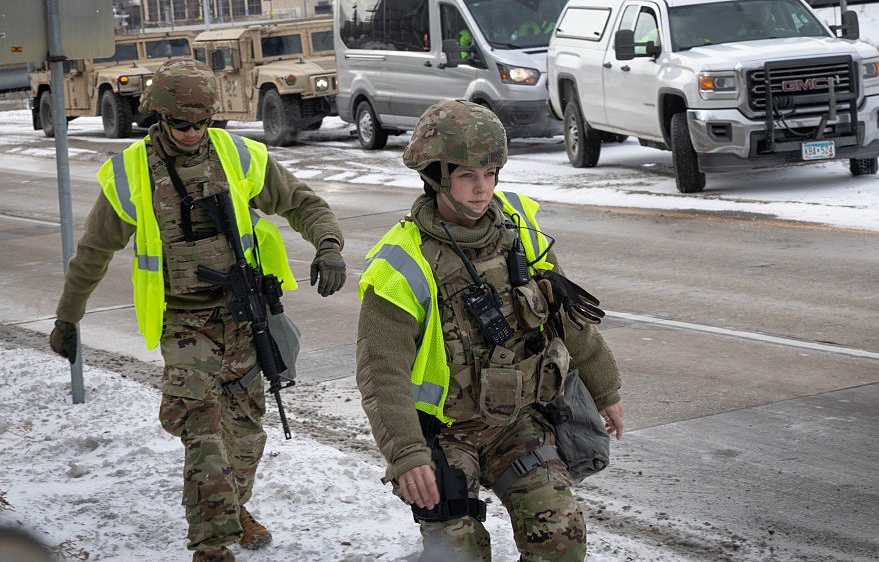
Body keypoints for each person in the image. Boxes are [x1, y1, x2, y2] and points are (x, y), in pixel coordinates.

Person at [47, 58, 347, 562]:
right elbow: (93, 252)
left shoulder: (239, 156)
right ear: (157, 118)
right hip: (185, 323)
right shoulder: (132, 174)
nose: (191, 133)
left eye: (200, 123)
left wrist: (330, 246)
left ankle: (234, 507)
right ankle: (210, 546)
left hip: (243, 316)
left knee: (246, 435)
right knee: (203, 432)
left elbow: (302, 201)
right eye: (180, 124)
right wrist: (67, 316)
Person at [356, 99, 625, 561]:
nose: (483, 189)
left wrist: (607, 389)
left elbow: (568, 315)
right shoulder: (402, 262)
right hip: (444, 434)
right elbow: (381, 374)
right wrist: (406, 453)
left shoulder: (520, 228)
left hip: (518, 424)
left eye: (491, 173)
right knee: (458, 552)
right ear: (437, 176)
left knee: (561, 540)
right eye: (466, 176)